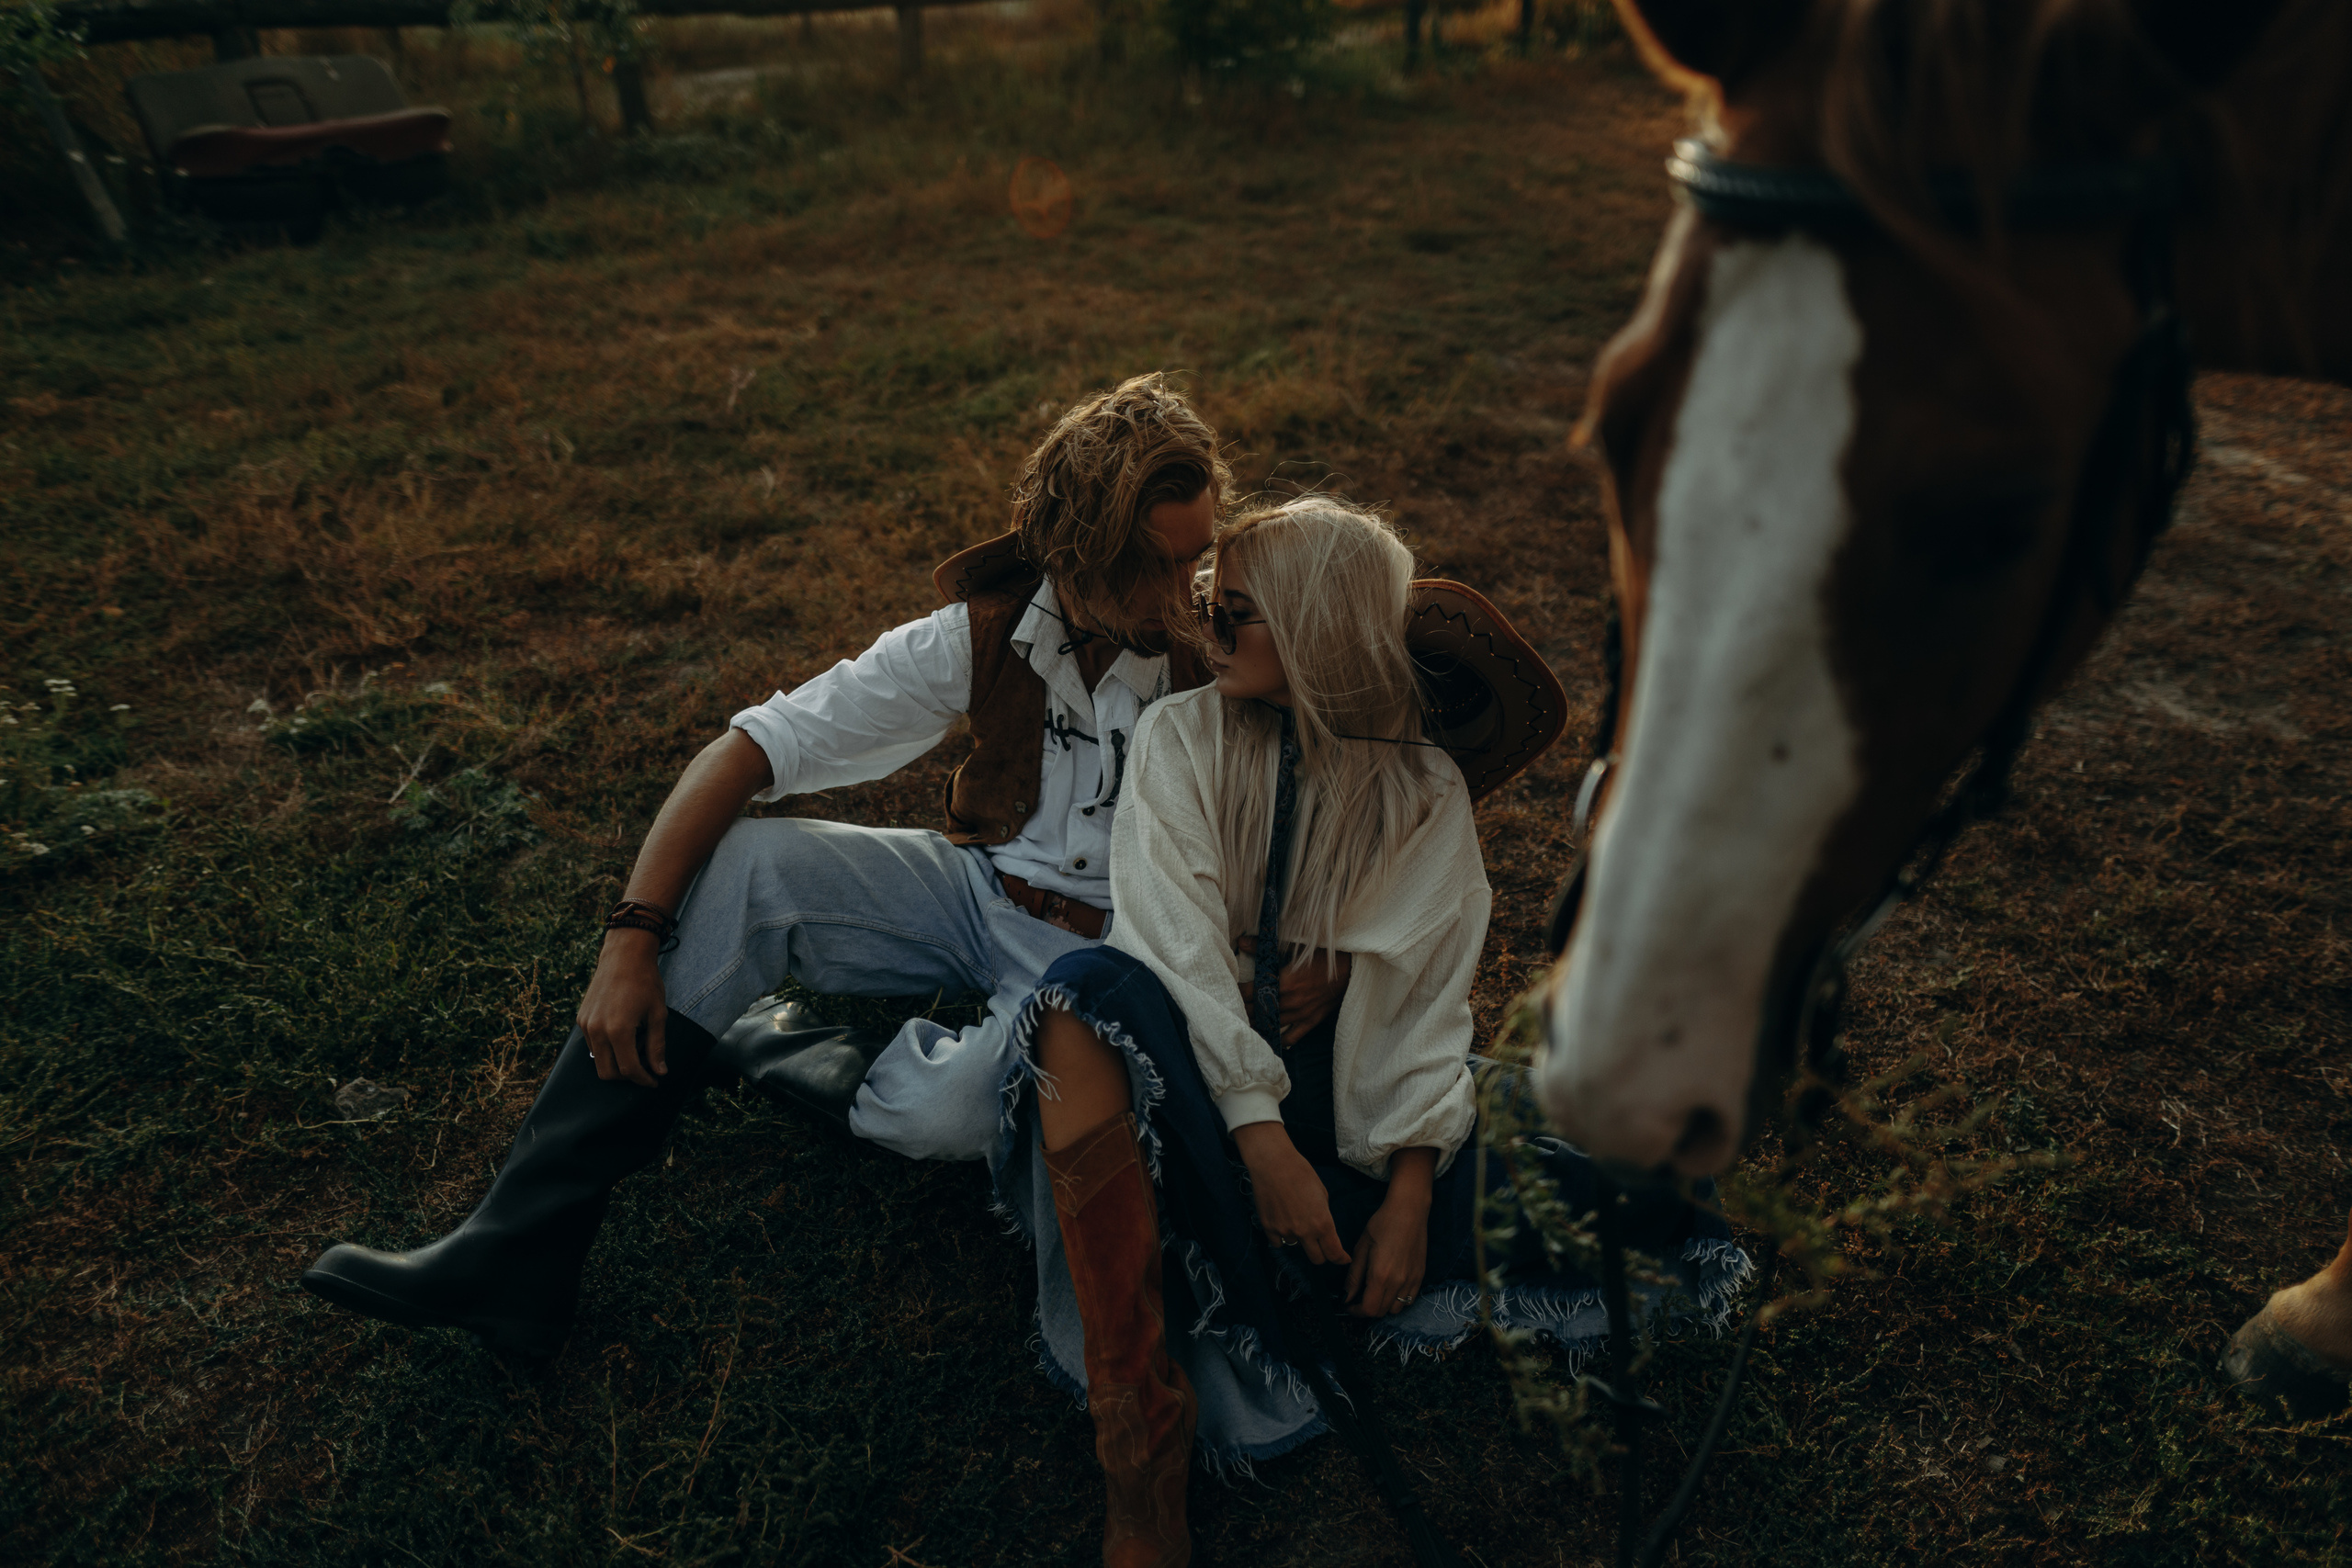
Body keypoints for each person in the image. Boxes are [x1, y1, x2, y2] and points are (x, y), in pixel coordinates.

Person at [299, 374, 1351, 1359]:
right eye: (1158, 564)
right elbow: (750, 751)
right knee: (752, 866)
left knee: (947, 1118)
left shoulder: (1224, 651)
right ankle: (513, 1254)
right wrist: (630, 937)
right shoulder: (981, 636)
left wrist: (1333, 952)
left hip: (1114, 962)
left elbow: (1362, 795)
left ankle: (775, 1048)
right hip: (979, 892)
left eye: (1197, 555)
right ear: (1071, 550)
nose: (1188, 588)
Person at [989, 498, 1749, 1567]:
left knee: (1617, 1169)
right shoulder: (1182, 733)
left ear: (1317, 628)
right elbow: (1171, 942)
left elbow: (1423, 999)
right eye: (1209, 606)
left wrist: (1405, 1191)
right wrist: (1258, 1141)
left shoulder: (1421, 786)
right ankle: (1140, 1439)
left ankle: (1294, 1253)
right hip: (1201, 1088)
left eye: (1235, 613)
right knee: (1080, 997)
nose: (1205, 634)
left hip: (1340, 1106)